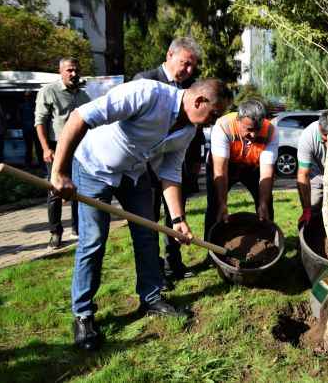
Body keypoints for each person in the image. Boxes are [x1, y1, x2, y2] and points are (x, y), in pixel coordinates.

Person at [49, 78, 232, 351]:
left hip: (133, 174)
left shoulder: (188, 131)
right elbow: (80, 116)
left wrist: (179, 220)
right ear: (198, 101)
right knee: (93, 241)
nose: (212, 122)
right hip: (93, 168)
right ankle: (83, 315)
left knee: (147, 234)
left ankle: (151, 297)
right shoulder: (147, 93)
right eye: (214, 114)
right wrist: (59, 171)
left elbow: (169, 173)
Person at [134, 37, 204, 283]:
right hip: (144, 167)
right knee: (150, 219)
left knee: (176, 215)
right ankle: (157, 268)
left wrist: (195, 161)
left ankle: (175, 261)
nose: (188, 70)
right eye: (185, 63)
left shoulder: (192, 88)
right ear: (169, 56)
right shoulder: (145, 81)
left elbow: (196, 130)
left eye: (192, 66)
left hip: (177, 163)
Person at [35, 58, 90, 249]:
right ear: (61, 71)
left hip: (80, 148)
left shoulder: (84, 96)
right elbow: (40, 122)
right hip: (55, 148)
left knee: (78, 188)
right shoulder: (48, 92)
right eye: (69, 70)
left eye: (76, 70)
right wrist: (45, 149)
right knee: (56, 190)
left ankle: (78, 228)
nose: (74, 74)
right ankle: (55, 233)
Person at [204, 100, 278, 240]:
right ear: (238, 121)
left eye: (257, 129)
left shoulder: (271, 131)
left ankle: (268, 243)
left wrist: (262, 202)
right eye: (249, 130)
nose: (254, 135)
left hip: (252, 166)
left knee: (266, 205)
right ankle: (212, 246)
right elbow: (220, 171)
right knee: (215, 206)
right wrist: (223, 203)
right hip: (225, 165)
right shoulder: (223, 126)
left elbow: (267, 171)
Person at [19, 90, 43, 168]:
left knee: (38, 148)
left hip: (35, 129)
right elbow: (19, 117)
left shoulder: (36, 106)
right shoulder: (22, 106)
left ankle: (40, 164)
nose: (28, 98)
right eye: (27, 96)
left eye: (29, 96)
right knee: (29, 148)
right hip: (27, 130)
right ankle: (29, 164)